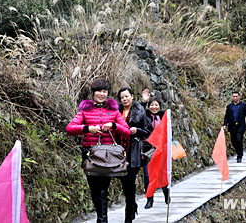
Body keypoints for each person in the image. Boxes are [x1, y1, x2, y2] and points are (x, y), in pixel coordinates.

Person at [66, 79, 131, 223]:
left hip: (108, 155)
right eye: (99, 91)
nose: (101, 94)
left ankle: (102, 220)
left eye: (104, 92)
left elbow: (126, 131)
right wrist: (87, 128)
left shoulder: (114, 112)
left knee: (103, 189)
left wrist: (114, 126)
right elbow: (69, 129)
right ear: (93, 93)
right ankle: (102, 218)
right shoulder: (85, 111)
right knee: (94, 189)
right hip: (90, 154)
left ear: (108, 94)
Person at [118, 87, 152, 222]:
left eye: (127, 96)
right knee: (124, 183)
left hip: (134, 152)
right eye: (122, 97)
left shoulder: (140, 112)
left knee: (130, 181)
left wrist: (136, 130)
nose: (125, 99)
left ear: (132, 96)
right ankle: (133, 204)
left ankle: (128, 216)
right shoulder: (117, 112)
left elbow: (147, 131)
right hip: (119, 152)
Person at [141, 92, 170, 209]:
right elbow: (138, 111)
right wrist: (143, 101)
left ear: (160, 106)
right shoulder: (144, 116)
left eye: (156, 105)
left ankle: (166, 195)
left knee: (163, 173)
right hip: (148, 149)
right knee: (148, 175)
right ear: (148, 106)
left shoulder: (164, 117)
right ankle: (149, 199)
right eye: (152, 105)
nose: (154, 107)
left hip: (161, 149)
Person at [223, 91, 246, 163]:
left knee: (239, 139)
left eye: (236, 96)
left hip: (240, 126)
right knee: (233, 141)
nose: (235, 98)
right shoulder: (229, 106)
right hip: (232, 126)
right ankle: (238, 151)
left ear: (239, 97)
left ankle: (239, 156)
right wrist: (224, 124)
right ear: (232, 97)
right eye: (234, 96)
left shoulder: (243, 105)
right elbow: (226, 116)